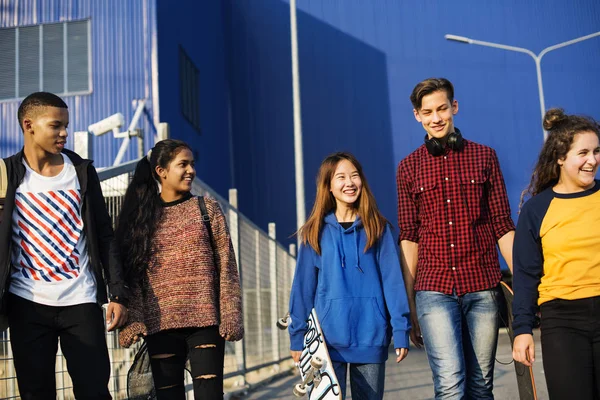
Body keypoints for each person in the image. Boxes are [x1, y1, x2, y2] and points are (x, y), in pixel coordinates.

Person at [0, 92, 129, 398]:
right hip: (26, 301)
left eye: (66, 126)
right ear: (28, 125)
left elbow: (104, 233)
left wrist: (118, 292)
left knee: (94, 390)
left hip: (80, 300)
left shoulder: (81, 172)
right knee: (35, 392)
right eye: (56, 125)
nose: (64, 133)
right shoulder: (7, 174)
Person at [396, 78, 515, 399]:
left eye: (442, 109)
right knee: (449, 384)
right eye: (427, 112)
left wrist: (527, 285)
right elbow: (409, 236)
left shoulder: (485, 157)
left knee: (480, 385)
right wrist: (409, 302)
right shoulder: (408, 168)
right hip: (433, 290)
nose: (436, 118)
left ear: (454, 107)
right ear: (417, 116)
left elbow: (502, 225)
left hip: (482, 286)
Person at [117, 139, 243, 400]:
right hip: (160, 325)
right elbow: (136, 277)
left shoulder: (207, 209)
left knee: (210, 396)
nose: (190, 171)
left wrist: (231, 313)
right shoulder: (142, 218)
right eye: (182, 164)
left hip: (206, 322)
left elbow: (226, 265)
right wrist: (134, 319)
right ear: (161, 171)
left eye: (192, 164)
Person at [288, 151, 410, 400]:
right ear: (329, 187)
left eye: (354, 176)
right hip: (326, 344)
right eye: (341, 177)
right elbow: (303, 288)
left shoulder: (378, 228)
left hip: (370, 338)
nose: (349, 183)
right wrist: (297, 335)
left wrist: (400, 329)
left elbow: (393, 283)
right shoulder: (315, 232)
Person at [512, 108, 600, 400]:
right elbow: (526, 276)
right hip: (562, 322)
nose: (593, 160)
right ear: (561, 158)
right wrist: (522, 329)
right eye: (584, 152)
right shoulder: (537, 209)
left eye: (597, 151)